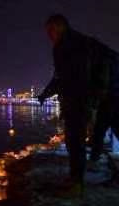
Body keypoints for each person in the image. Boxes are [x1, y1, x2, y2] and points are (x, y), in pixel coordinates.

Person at [37, 15, 106, 196]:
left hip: (82, 98)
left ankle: (76, 185)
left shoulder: (69, 46)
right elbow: (62, 76)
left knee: (75, 141)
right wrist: (46, 93)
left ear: (59, 27)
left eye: (50, 31)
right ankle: (76, 179)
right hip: (96, 95)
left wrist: (87, 104)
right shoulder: (78, 42)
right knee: (75, 139)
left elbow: (73, 77)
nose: (49, 36)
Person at [88, 40, 119, 164]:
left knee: (99, 130)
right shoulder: (114, 57)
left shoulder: (103, 61)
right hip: (115, 98)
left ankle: (94, 158)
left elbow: (102, 83)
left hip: (108, 99)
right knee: (113, 127)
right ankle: (95, 156)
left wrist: (95, 101)